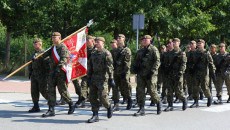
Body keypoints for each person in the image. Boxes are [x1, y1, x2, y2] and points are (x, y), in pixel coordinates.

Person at [37, 32, 75, 117]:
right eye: (52, 37)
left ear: (59, 38)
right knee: (51, 91)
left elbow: (63, 60)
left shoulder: (63, 47)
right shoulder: (53, 48)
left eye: (55, 37)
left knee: (62, 91)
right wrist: (36, 56)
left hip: (60, 73)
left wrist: (57, 71)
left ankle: (71, 104)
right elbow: (44, 55)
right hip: (52, 72)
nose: (53, 39)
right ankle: (51, 109)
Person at [133, 35, 162, 116]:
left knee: (152, 91)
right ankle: (141, 108)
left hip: (150, 74)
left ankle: (158, 103)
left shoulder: (153, 49)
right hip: (141, 74)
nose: (144, 41)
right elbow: (135, 61)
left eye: (146, 39)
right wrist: (135, 68)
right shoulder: (140, 51)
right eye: (143, 39)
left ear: (150, 40)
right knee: (140, 91)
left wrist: (152, 72)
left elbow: (157, 62)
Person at [87, 37, 114, 123]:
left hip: (103, 78)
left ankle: (109, 106)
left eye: (98, 42)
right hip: (94, 78)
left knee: (102, 97)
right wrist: (88, 77)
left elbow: (110, 67)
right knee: (92, 97)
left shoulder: (106, 53)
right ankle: (95, 115)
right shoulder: (93, 53)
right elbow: (90, 66)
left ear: (103, 43)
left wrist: (111, 78)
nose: (96, 43)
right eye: (96, 41)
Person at [163, 38, 187, 112]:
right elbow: (166, 62)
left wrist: (180, 73)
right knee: (169, 90)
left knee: (178, 90)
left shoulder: (182, 53)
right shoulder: (169, 53)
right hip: (170, 74)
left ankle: (184, 100)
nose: (174, 43)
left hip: (178, 74)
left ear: (179, 43)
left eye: (176, 42)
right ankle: (170, 105)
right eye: (173, 42)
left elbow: (183, 64)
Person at [190, 39, 215, 108]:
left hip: (204, 73)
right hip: (196, 72)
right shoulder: (194, 53)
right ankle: (196, 101)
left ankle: (209, 97)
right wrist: (190, 69)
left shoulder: (206, 53)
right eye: (198, 43)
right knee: (195, 87)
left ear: (204, 44)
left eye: (200, 43)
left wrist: (213, 72)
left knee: (204, 87)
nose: (199, 44)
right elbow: (191, 62)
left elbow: (211, 63)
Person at [73, 35, 96, 108]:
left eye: (88, 40)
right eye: (86, 40)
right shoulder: (84, 50)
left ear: (92, 41)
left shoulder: (96, 50)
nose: (86, 41)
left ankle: (97, 99)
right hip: (86, 72)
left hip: (95, 73)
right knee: (84, 85)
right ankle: (82, 100)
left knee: (95, 87)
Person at [112, 34, 133, 111]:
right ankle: (116, 103)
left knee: (125, 87)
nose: (118, 39)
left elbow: (127, 63)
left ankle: (129, 100)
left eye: (120, 38)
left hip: (124, 72)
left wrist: (125, 72)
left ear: (124, 39)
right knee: (115, 88)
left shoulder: (127, 50)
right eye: (117, 38)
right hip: (116, 71)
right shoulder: (115, 50)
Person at [28, 38, 49, 112]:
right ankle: (36, 106)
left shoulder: (44, 53)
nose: (34, 45)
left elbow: (47, 64)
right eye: (34, 43)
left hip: (42, 75)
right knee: (34, 91)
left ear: (40, 44)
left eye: (35, 43)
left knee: (44, 91)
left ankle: (51, 103)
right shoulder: (34, 53)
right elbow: (30, 63)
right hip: (34, 74)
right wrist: (30, 71)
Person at [161, 39, 174, 104]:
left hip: (173, 72)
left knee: (175, 87)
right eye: (168, 44)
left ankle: (179, 98)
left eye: (170, 43)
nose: (168, 45)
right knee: (165, 85)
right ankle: (164, 98)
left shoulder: (175, 53)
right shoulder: (165, 53)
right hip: (166, 72)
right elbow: (162, 62)